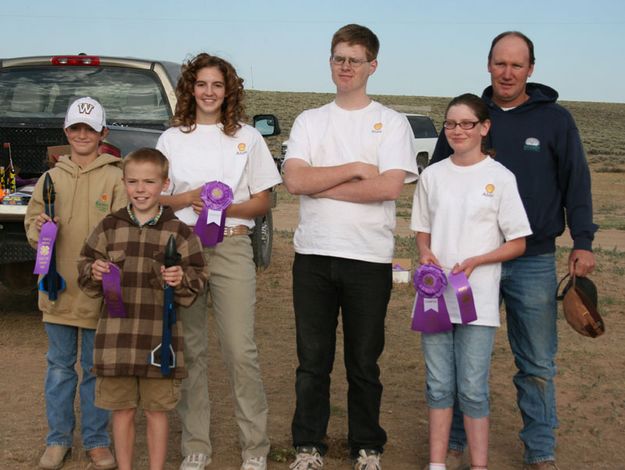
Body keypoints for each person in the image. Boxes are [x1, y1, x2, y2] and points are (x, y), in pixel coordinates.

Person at [430, 32, 598, 470]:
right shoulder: (468, 117)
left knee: (537, 361)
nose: (507, 72)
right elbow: (436, 180)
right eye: (500, 63)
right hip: (469, 265)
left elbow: (576, 180)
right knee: (462, 359)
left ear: (531, 70)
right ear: (488, 65)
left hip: (532, 260)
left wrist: (583, 240)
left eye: (516, 65)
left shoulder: (555, 120)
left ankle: (540, 449)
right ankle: (454, 441)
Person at [282, 24, 418, 470]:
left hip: (368, 259)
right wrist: (356, 168)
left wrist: (322, 185)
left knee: (363, 361)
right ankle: (308, 446)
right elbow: (294, 179)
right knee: (312, 361)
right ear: (330, 61)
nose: (345, 66)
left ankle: (367, 446)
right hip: (314, 256)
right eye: (338, 57)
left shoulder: (392, 122)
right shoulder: (309, 120)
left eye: (354, 60)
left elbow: (388, 188)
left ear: (371, 66)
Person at [156, 53, 282, 470]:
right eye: (201, 84)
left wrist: (224, 212)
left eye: (217, 85)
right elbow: (158, 196)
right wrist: (189, 199)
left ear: (229, 91)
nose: (209, 92)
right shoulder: (173, 139)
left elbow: (263, 199)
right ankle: (196, 445)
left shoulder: (248, 137)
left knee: (239, 349)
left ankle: (254, 448)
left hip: (232, 247)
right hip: (186, 250)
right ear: (190, 88)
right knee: (190, 349)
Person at [412, 94, 531, 470]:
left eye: (466, 124)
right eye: (450, 124)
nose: (458, 131)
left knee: (473, 388)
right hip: (434, 299)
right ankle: (437, 463)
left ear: (484, 127)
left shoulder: (500, 178)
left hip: (476, 300)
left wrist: (480, 259)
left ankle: (478, 465)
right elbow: (422, 228)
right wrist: (425, 252)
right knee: (439, 385)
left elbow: (517, 242)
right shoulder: (432, 175)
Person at [77, 148, 208, 470]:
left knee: (156, 411)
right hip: (116, 339)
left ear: (164, 184)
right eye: (133, 181)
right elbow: (84, 264)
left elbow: (199, 275)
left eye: (149, 182)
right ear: (123, 183)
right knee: (121, 410)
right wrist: (92, 270)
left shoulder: (179, 231)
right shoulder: (109, 226)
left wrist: (180, 278)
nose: (140, 189)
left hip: (158, 341)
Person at [25, 97, 126, 470]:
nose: (82, 135)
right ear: (66, 132)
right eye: (75, 128)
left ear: (103, 133)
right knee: (59, 367)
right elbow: (34, 219)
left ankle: (98, 441)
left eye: (90, 128)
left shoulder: (116, 177)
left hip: (98, 293)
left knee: (96, 368)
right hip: (57, 287)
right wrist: (36, 230)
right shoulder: (51, 178)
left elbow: (123, 229)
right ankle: (58, 438)